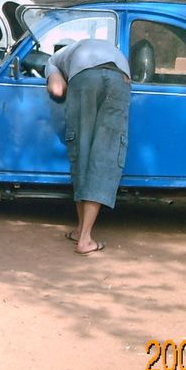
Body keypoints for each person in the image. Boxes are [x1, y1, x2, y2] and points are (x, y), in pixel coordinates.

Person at [45, 38, 131, 256]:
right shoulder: (106, 47)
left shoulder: (55, 60)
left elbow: (57, 89)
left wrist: (60, 80)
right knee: (105, 152)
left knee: (82, 150)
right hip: (120, 77)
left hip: (84, 78)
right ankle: (82, 233)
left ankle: (83, 238)